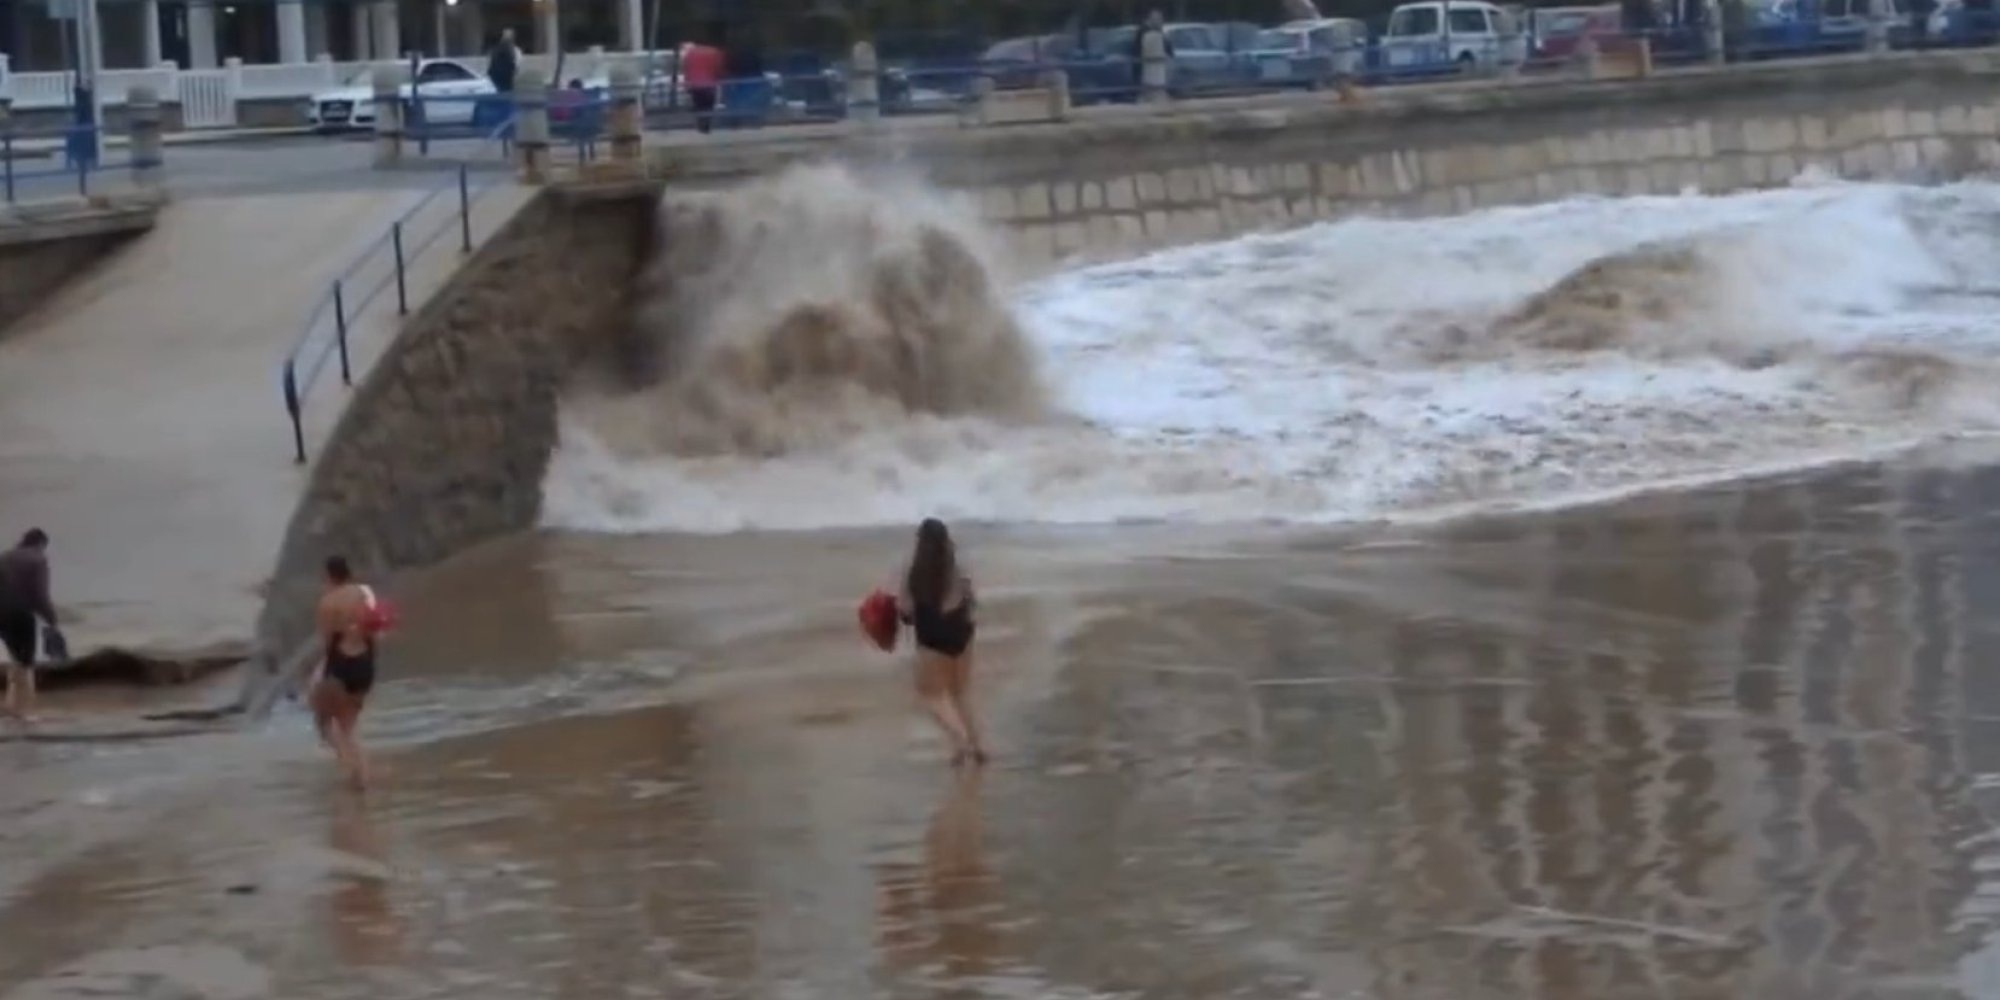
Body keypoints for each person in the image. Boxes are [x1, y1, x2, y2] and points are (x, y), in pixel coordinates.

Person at [896, 519, 987, 766]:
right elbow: (969, 599)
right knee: (960, 694)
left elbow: (905, 609)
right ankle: (976, 747)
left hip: (932, 639)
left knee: (929, 695)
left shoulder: (913, 571)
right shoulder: (956, 566)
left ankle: (961, 741)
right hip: (961, 634)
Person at [310, 556, 378, 789]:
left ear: (329, 576)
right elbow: (375, 630)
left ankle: (352, 769)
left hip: (339, 664)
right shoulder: (363, 594)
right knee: (349, 727)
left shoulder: (327, 602)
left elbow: (326, 641)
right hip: (365, 664)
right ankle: (362, 773)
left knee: (323, 722)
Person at [0, 529, 58, 720]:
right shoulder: (37, 560)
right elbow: (39, 594)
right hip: (21, 614)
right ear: (41, 544)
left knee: (16, 658)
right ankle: (24, 711)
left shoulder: (5, 557)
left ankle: (10, 706)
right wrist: (51, 619)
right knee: (26, 662)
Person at [680, 38, 724, 134]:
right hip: (709, 84)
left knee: (699, 105)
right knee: (708, 105)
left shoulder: (690, 54)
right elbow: (718, 67)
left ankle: (700, 125)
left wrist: (687, 82)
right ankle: (706, 125)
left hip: (695, 84)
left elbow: (686, 68)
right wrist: (718, 78)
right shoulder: (714, 52)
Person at [488, 29, 520, 94]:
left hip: (497, 77)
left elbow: (491, 62)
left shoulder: (496, 48)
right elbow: (514, 62)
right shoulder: (510, 48)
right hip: (505, 77)